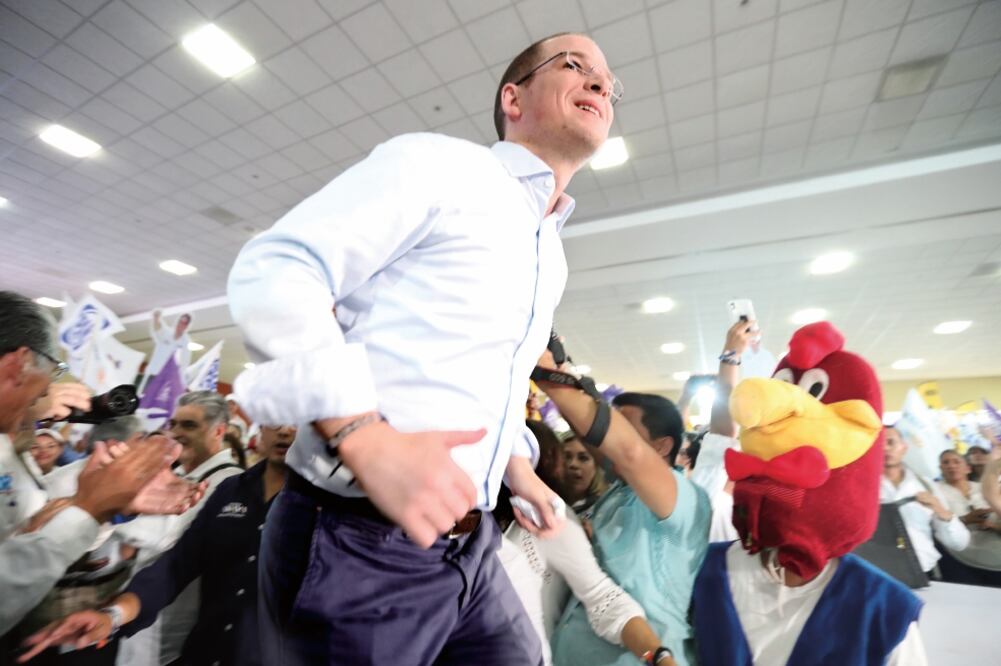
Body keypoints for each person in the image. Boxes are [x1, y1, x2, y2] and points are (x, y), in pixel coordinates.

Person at [226, 31, 619, 665]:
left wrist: (517, 468)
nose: (602, 84)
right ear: (512, 98)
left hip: (470, 544)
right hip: (356, 541)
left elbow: (490, 378)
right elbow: (278, 268)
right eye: (576, 66)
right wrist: (362, 433)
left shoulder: (550, 249)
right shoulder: (441, 166)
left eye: (608, 80)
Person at [691, 321, 927, 665]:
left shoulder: (881, 608)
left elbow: (716, 447)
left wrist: (730, 359)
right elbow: (717, 446)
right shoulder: (709, 573)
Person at [0, 291, 195, 651]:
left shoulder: (11, 448)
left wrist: (105, 509)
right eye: (51, 373)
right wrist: (90, 508)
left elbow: (21, 533)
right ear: (19, 365)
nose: (48, 393)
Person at [19, 425, 297, 666]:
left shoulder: (331, 510)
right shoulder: (232, 489)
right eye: (277, 417)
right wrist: (112, 616)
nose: (284, 429)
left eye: (298, 419)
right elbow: (177, 565)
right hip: (203, 654)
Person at [533, 351, 708, 666]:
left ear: (661, 446)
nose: (612, 435)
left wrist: (545, 374)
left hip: (644, 656)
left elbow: (629, 452)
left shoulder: (684, 499)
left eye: (624, 427)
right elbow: (591, 433)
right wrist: (560, 365)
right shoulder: (617, 490)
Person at [494, 421, 668, 666]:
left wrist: (659, 657)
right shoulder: (464, 515)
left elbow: (602, 597)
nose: (570, 465)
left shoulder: (548, 520)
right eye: (565, 457)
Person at [114, 392, 242, 666]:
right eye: (174, 424)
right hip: (142, 613)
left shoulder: (231, 484)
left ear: (218, 430)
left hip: (179, 630)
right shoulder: (177, 476)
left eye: (189, 425)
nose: (177, 433)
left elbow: (174, 545)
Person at [880, 426, 969, 576]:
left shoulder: (927, 486)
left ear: (904, 447)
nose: (885, 448)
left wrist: (940, 510)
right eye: (879, 445)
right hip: (877, 573)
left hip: (923, 572)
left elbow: (959, 543)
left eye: (891, 442)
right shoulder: (861, 488)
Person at [934, 450, 1001, 586]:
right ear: (940, 468)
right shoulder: (936, 492)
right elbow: (936, 526)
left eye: (956, 462)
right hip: (961, 557)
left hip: (996, 550)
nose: (951, 466)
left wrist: (992, 525)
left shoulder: (986, 488)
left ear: (968, 468)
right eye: (945, 462)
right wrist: (965, 520)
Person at [137, 312, 191, 395]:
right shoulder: (167, 333)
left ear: (187, 326)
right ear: (177, 322)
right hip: (154, 374)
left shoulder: (185, 342)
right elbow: (158, 328)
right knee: (145, 397)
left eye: (184, 323)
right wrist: (156, 318)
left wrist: (182, 384)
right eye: (181, 322)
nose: (181, 325)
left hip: (168, 377)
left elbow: (183, 364)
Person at [561, 435, 607, 515]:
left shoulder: (605, 510)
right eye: (567, 457)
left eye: (583, 458)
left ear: (596, 467)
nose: (573, 464)